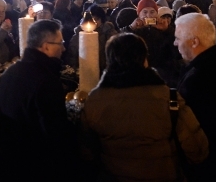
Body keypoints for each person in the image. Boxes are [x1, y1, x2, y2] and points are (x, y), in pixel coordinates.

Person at [81, 33, 208, 181]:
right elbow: (197, 149)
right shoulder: (168, 98)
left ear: (110, 60)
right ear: (144, 60)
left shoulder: (95, 100)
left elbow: (86, 151)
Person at [0, 20, 75, 181]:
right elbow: (54, 132)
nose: (64, 48)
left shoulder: (10, 73)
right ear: (46, 46)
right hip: (38, 165)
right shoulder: (46, 81)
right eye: (60, 43)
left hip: (10, 161)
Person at [174, 13, 216, 180]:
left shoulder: (199, 77)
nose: (175, 43)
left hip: (209, 164)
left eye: (178, 38)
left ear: (194, 42)